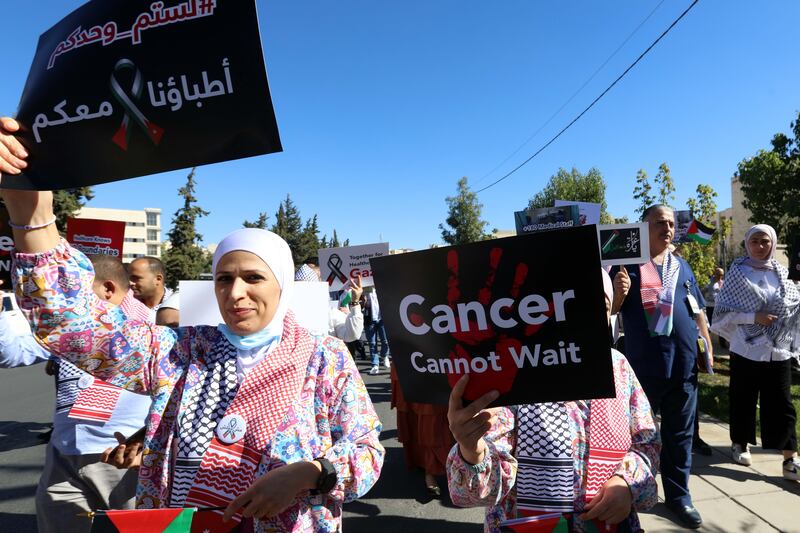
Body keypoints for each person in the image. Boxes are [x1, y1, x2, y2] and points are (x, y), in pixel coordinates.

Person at [0, 116, 384, 532]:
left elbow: (366, 451)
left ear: (282, 286)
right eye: (224, 278)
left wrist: (309, 473)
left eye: (253, 278)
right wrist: (31, 216)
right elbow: (75, 329)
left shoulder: (323, 357)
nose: (235, 293)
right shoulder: (181, 352)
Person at [447, 269, 660, 533]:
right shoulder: (515, 370)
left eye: (602, 306)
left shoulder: (618, 368)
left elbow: (646, 444)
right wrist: (472, 451)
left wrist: (626, 483)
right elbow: (478, 490)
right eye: (575, 305)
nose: (588, 317)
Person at [0, 254, 151, 533]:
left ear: (108, 289)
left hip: (121, 460)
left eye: (74, 293)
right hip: (63, 457)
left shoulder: (150, 330)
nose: (63, 300)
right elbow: (10, 355)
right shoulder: (65, 330)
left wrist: (147, 441)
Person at [611, 204, 712, 529]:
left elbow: (697, 311)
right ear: (644, 227)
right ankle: (629, 497)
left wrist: (706, 347)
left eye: (670, 223)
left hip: (683, 367)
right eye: (658, 223)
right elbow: (607, 312)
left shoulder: (682, 266)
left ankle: (679, 496)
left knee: (680, 437)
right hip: (642, 372)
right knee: (635, 439)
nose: (666, 229)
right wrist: (616, 295)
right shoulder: (628, 266)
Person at [711, 224, 800, 480]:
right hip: (746, 348)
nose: (760, 247)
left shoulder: (782, 273)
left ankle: (789, 459)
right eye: (755, 241)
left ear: (773, 243)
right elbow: (722, 313)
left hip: (778, 350)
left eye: (765, 241)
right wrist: (754, 316)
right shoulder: (738, 273)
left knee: (782, 404)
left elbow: (792, 305)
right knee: (743, 399)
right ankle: (740, 442)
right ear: (747, 244)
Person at [390, 362, 454, 497]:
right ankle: (427, 468)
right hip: (407, 355)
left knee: (433, 415)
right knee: (414, 414)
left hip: (436, 359)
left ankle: (436, 466)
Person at [128, 255, 173, 321]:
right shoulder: (127, 305)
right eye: (129, 278)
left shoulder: (177, 306)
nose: (130, 283)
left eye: (136, 278)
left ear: (158, 279)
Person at [364, 287, 391, 375]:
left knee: (386, 341)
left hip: (382, 319)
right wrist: (362, 301)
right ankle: (375, 365)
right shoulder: (364, 289)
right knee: (372, 344)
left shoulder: (381, 285)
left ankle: (384, 355)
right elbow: (356, 304)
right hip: (369, 320)